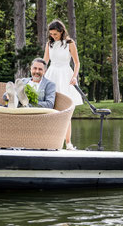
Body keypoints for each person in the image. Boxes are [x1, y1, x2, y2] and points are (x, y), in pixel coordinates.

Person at [43, 19, 82, 149]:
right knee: (50, 108)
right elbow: (45, 61)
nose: (53, 36)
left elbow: (77, 63)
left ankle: (68, 142)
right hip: (52, 74)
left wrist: (74, 77)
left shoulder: (69, 43)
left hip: (65, 75)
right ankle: (49, 141)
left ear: (61, 31)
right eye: (51, 34)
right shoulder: (49, 44)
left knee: (65, 110)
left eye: (55, 34)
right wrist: (40, 75)